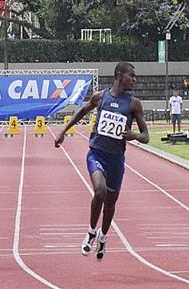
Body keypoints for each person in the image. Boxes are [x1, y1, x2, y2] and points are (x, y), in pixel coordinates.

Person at [54, 62, 149, 260]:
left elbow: (146, 135)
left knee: (111, 203)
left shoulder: (133, 104)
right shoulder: (100, 97)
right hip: (96, 153)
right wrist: (63, 131)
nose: (135, 79)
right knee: (100, 191)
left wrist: (135, 136)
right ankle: (90, 232)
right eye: (131, 75)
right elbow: (82, 111)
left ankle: (103, 237)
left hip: (116, 160)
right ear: (119, 75)